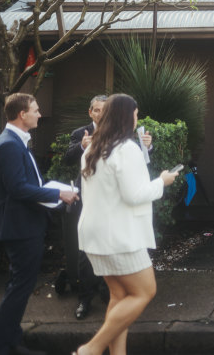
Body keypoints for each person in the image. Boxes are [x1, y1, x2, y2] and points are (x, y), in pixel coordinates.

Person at [73, 94, 178, 355]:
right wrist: (162, 181)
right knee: (144, 292)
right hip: (119, 236)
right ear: (125, 116)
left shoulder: (91, 149)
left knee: (119, 296)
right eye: (135, 113)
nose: (137, 118)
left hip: (94, 234)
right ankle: (91, 349)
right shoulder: (126, 148)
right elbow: (135, 194)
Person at [0, 93, 78, 355]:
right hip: (20, 228)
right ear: (22, 115)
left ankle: (11, 342)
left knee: (19, 286)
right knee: (19, 289)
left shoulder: (14, 141)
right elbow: (19, 189)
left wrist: (50, 190)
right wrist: (58, 193)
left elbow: (26, 184)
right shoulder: (9, 145)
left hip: (23, 225)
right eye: (35, 110)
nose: (39, 114)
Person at [62, 95, 152, 320]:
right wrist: (162, 182)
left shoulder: (126, 144)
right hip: (93, 204)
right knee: (88, 258)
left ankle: (108, 298)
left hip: (110, 213)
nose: (100, 114)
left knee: (116, 289)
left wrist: (146, 148)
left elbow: (131, 169)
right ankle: (85, 299)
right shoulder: (84, 136)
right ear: (90, 112)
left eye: (105, 110)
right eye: (97, 110)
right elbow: (68, 158)